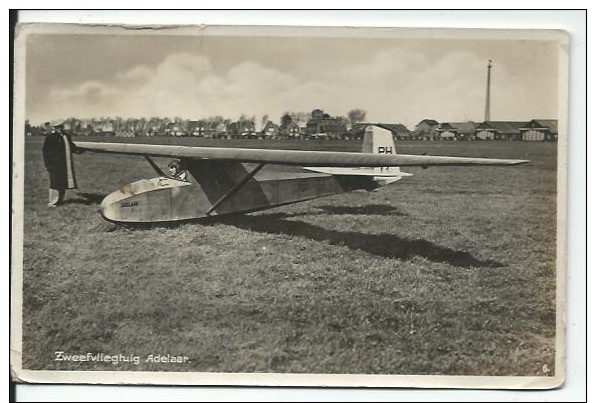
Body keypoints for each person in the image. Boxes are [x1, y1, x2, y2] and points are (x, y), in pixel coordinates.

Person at [42, 122, 83, 207]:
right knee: (54, 183)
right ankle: (53, 202)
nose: (59, 128)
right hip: (54, 165)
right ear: (55, 128)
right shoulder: (50, 137)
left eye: (61, 127)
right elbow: (45, 151)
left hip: (64, 164)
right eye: (57, 127)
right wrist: (48, 165)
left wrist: (79, 150)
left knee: (62, 182)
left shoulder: (66, 136)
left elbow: (71, 147)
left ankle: (60, 200)